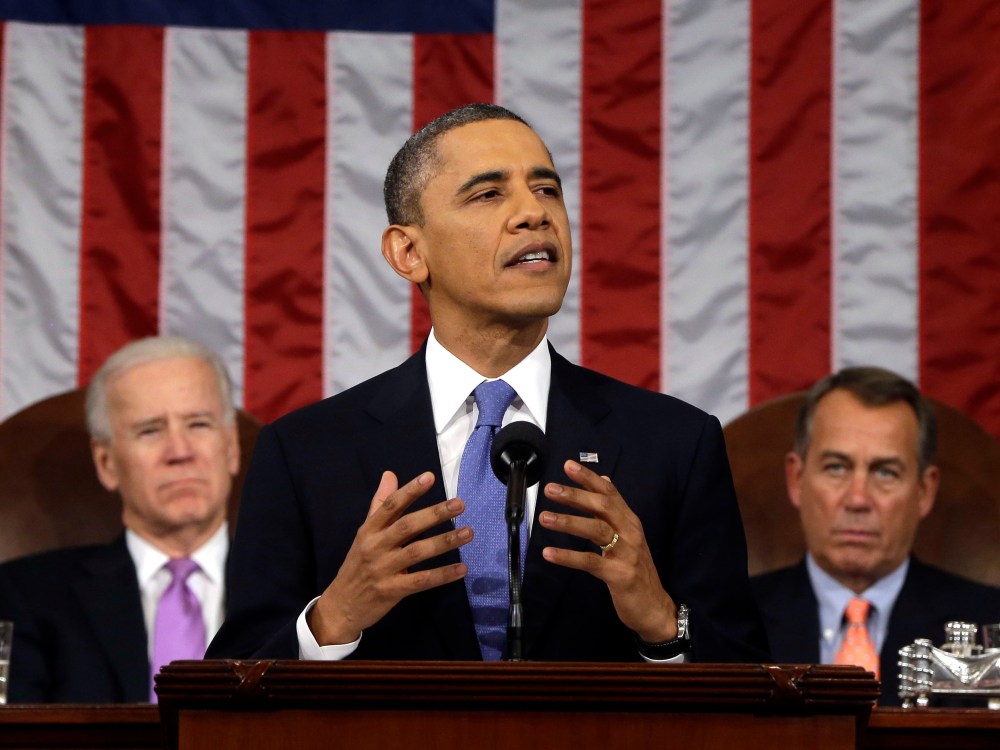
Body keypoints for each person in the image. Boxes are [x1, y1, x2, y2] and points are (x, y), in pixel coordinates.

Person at [207, 103, 768, 664]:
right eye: (488, 194)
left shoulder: (675, 444)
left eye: (547, 189)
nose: (534, 213)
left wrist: (660, 620)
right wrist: (334, 617)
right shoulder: (305, 452)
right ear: (409, 252)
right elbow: (228, 690)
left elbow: (752, 687)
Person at [0, 336, 240, 702]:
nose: (180, 452)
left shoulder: (302, 592)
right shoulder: (25, 596)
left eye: (198, 424)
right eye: (150, 430)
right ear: (106, 463)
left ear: (231, 447)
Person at [751, 366, 1000, 704]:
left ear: (924, 491)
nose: (858, 500)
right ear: (797, 480)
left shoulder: (990, 621)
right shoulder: (734, 619)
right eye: (836, 467)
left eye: (885, 472)